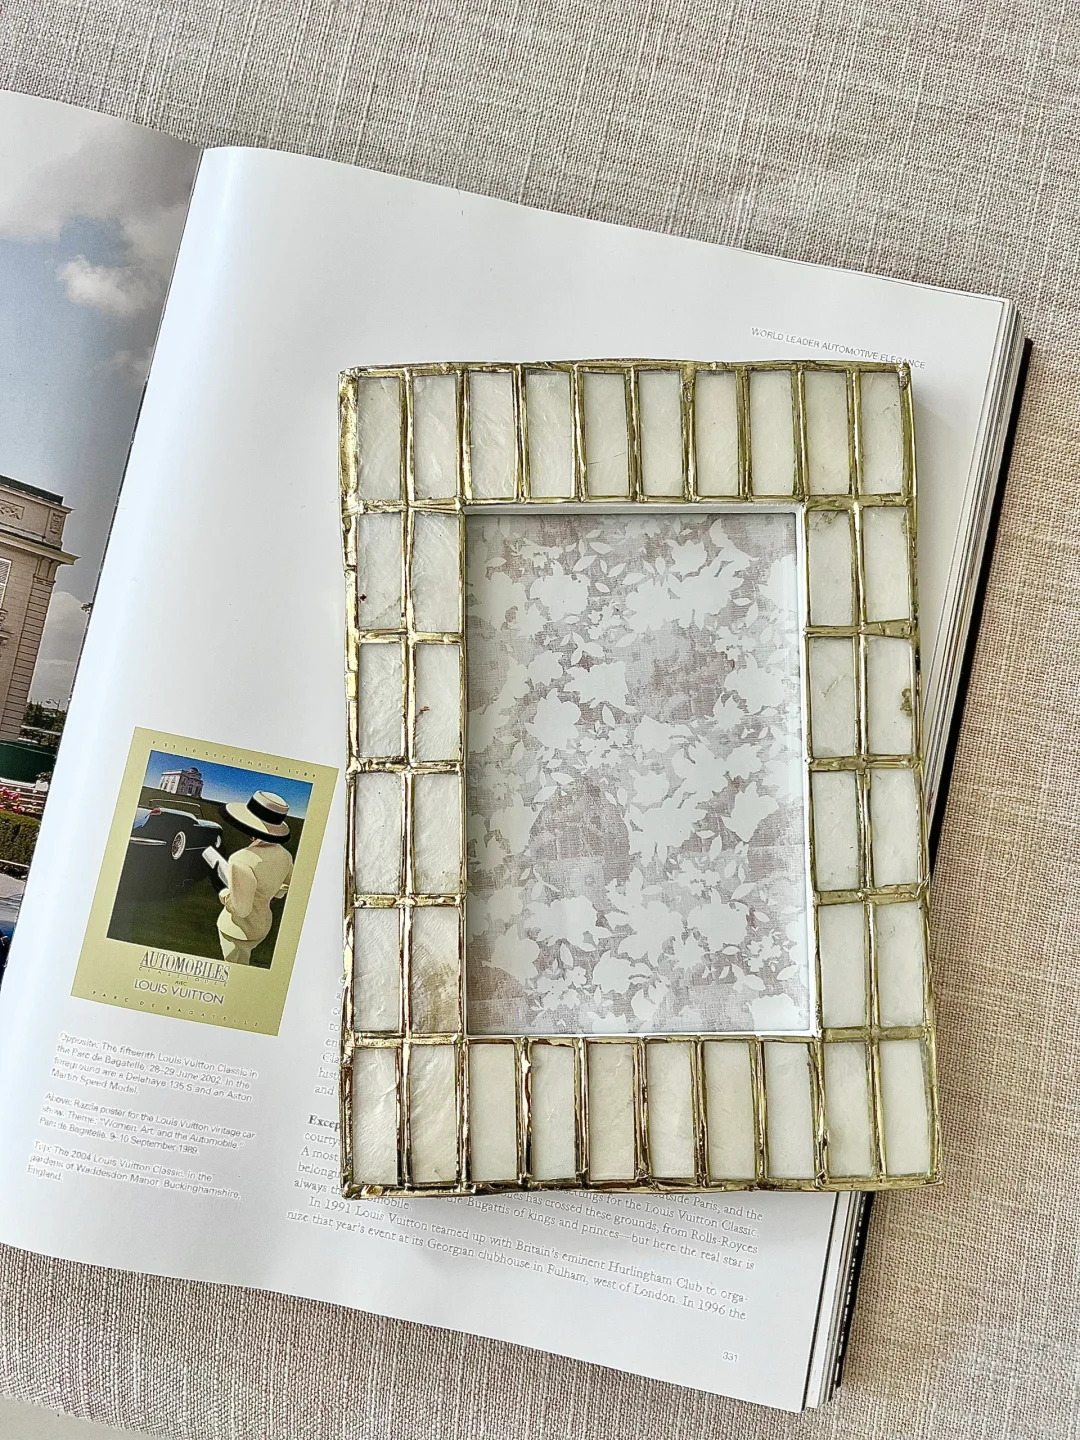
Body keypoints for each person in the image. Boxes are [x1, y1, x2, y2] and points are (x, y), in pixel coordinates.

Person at [204, 790, 294, 966]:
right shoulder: (285, 855)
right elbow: (287, 885)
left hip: (237, 930)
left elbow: (242, 910)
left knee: (233, 968)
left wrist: (222, 891)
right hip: (262, 925)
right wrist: (267, 893)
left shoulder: (241, 859)